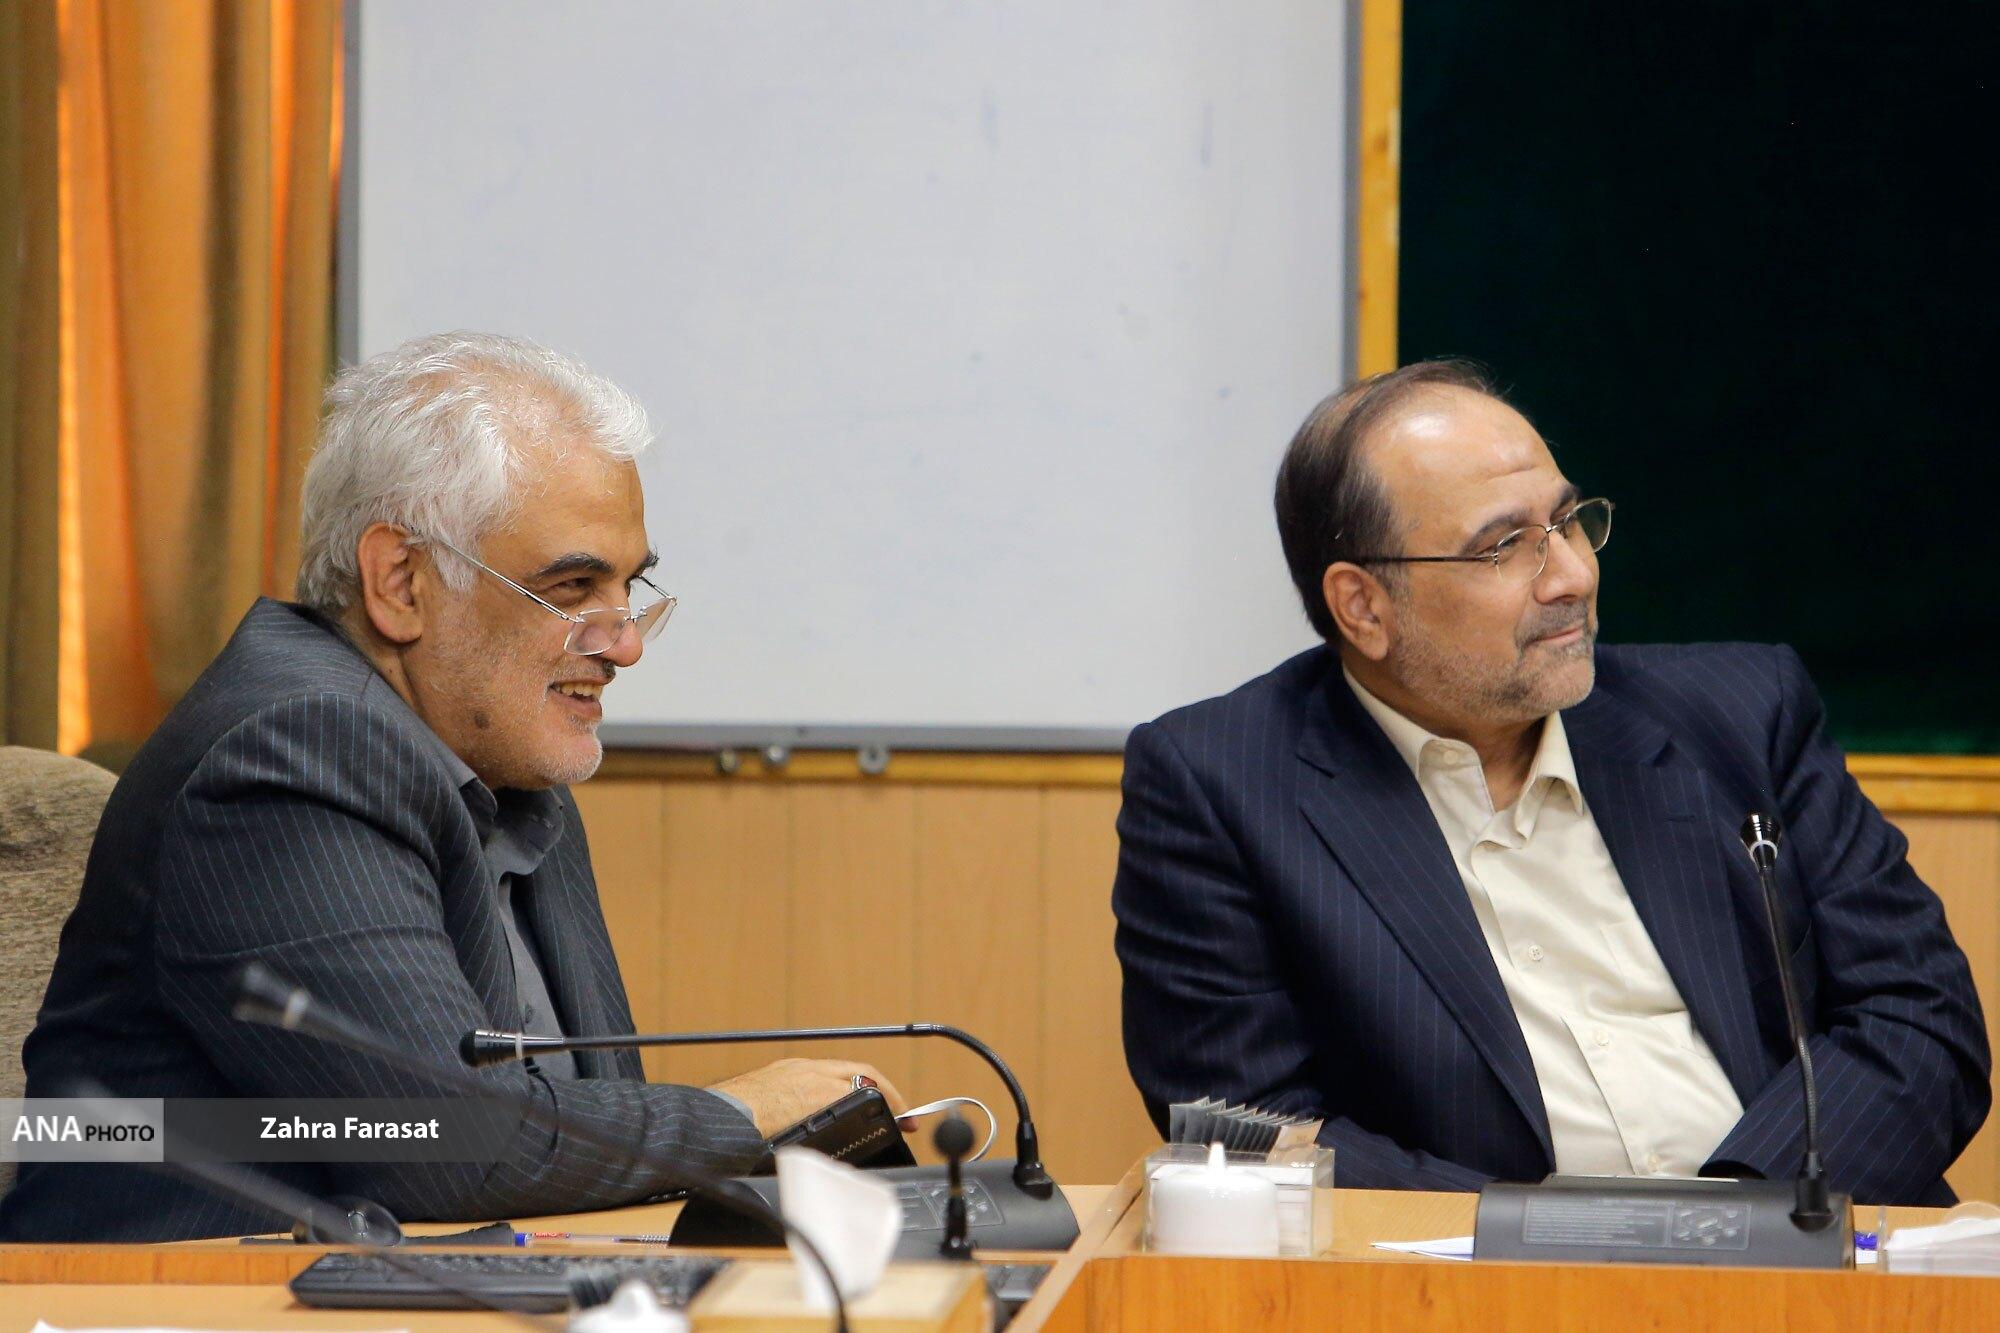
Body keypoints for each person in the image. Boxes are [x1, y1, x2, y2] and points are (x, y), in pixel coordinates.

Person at [1, 332, 905, 1240]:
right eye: (574, 586)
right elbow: (447, 1142)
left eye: (630, 587)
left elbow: (581, 1116)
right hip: (158, 1288)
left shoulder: (504, 754)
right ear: (401, 582)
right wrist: (743, 1117)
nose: (625, 642)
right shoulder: (290, 751)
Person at [1114, 359, 1988, 1203]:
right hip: (1475, 1278)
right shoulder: (1220, 785)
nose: (1572, 575)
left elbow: (1919, 1018)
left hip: (1806, 1253)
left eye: (1567, 522)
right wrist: (1563, 1245)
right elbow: (1257, 1132)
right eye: (1504, 547)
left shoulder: (1743, 713)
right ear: (1363, 606)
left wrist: (1732, 1223)